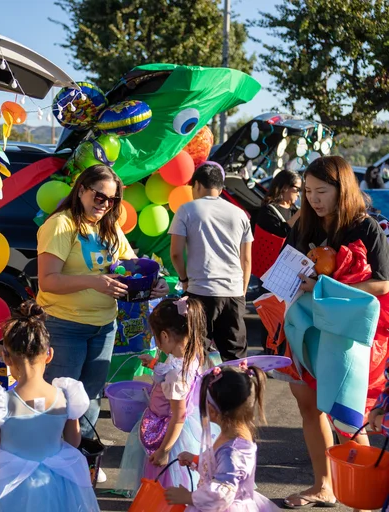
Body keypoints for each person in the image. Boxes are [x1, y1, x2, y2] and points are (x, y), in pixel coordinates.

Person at [37, 164, 169, 481]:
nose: (104, 204)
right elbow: (47, 281)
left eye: (111, 200)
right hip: (63, 325)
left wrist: (154, 282)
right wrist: (94, 283)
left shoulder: (108, 228)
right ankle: (48, 467)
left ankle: (79, 463)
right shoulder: (61, 225)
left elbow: (130, 267)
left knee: (91, 398)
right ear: (81, 190)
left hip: (103, 326)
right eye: (99, 196)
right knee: (60, 400)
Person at [284, 155, 389, 510]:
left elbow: (384, 283)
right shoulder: (304, 226)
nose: (313, 199)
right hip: (307, 326)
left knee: (346, 411)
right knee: (307, 403)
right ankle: (323, 486)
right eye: (308, 191)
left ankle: (364, 496)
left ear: (341, 189)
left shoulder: (366, 227)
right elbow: (289, 269)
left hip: (347, 332)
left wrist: (326, 285)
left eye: (321, 191)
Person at [0, 301, 100, 512]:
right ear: (49, 354)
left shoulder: (0, 402)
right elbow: (74, 441)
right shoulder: (66, 396)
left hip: (11, 483)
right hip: (55, 479)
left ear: (6, 357)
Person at [116, 297, 216, 495]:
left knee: (164, 482)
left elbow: (178, 414)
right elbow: (173, 370)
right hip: (181, 427)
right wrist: (154, 365)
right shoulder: (191, 354)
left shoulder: (175, 376)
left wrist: (164, 451)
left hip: (169, 433)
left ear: (164, 335)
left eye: (156, 337)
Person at [164, 364, 277, 512]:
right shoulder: (232, 435)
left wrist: (188, 497)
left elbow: (222, 494)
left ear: (211, 410)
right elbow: (221, 468)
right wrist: (197, 460)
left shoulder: (234, 450)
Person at [170, 163, 253, 361]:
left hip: (201, 291)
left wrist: (184, 279)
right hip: (233, 292)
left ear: (197, 185)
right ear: (221, 187)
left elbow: (175, 253)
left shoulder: (187, 210)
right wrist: (242, 291)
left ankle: (199, 392)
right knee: (236, 359)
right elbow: (247, 259)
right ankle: (238, 391)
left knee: (196, 355)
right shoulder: (240, 213)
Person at [256, 170, 302, 239]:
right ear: (285, 187)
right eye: (297, 189)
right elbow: (279, 236)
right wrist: (299, 214)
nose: (298, 194)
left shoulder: (294, 210)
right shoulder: (268, 211)